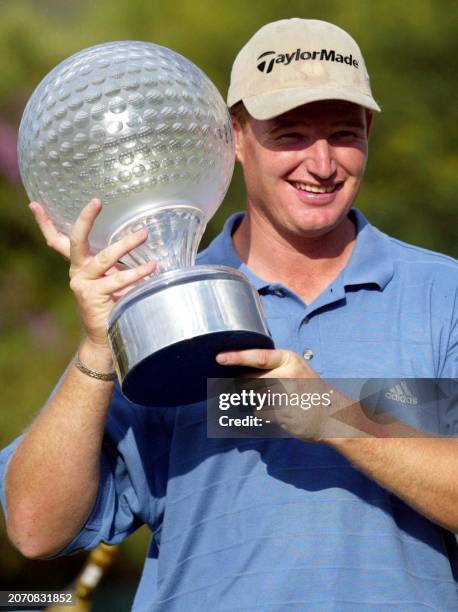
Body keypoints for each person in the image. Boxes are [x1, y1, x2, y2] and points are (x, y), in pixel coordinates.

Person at [1, 18, 458, 611]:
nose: (321, 163)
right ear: (234, 137)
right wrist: (96, 347)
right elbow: (36, 530)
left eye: (343, 133)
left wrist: (330, 414)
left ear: (369, 130)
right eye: (289, 134)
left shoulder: (441, 292)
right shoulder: (166, 307)